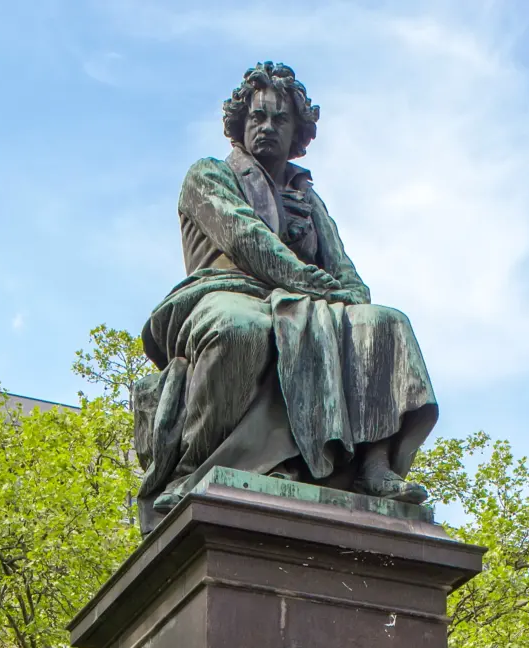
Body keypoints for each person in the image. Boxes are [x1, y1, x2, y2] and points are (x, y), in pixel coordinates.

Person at [133, 62, 437, 529]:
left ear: (298, 130)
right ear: (240, 124)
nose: (267, 127)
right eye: (258, 117)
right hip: (223, 292)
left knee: (386, 323)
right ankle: (194, 468)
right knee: (240, 329)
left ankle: (375, 465)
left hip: (299, 303)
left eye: (280, 119)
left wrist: (350, 296)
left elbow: (345, 270)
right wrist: (318, 287)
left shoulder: (307, 197)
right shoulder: (208, 175)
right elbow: (248, 241)